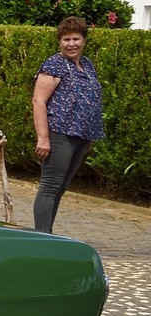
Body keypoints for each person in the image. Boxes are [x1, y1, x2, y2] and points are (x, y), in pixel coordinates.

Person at [31, 15, 104, 234]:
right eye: (66, 39)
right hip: (60, 134)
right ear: (59, 42)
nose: (71, 44)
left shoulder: (87, 65)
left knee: (60, 188)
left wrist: (88, 137)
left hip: (81, 137)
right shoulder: (55, 64)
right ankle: (42, 238)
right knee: (50, 186)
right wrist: (43, 138)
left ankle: (47, 235)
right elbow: (38, 101)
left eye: (76, 39)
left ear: (84, 40)